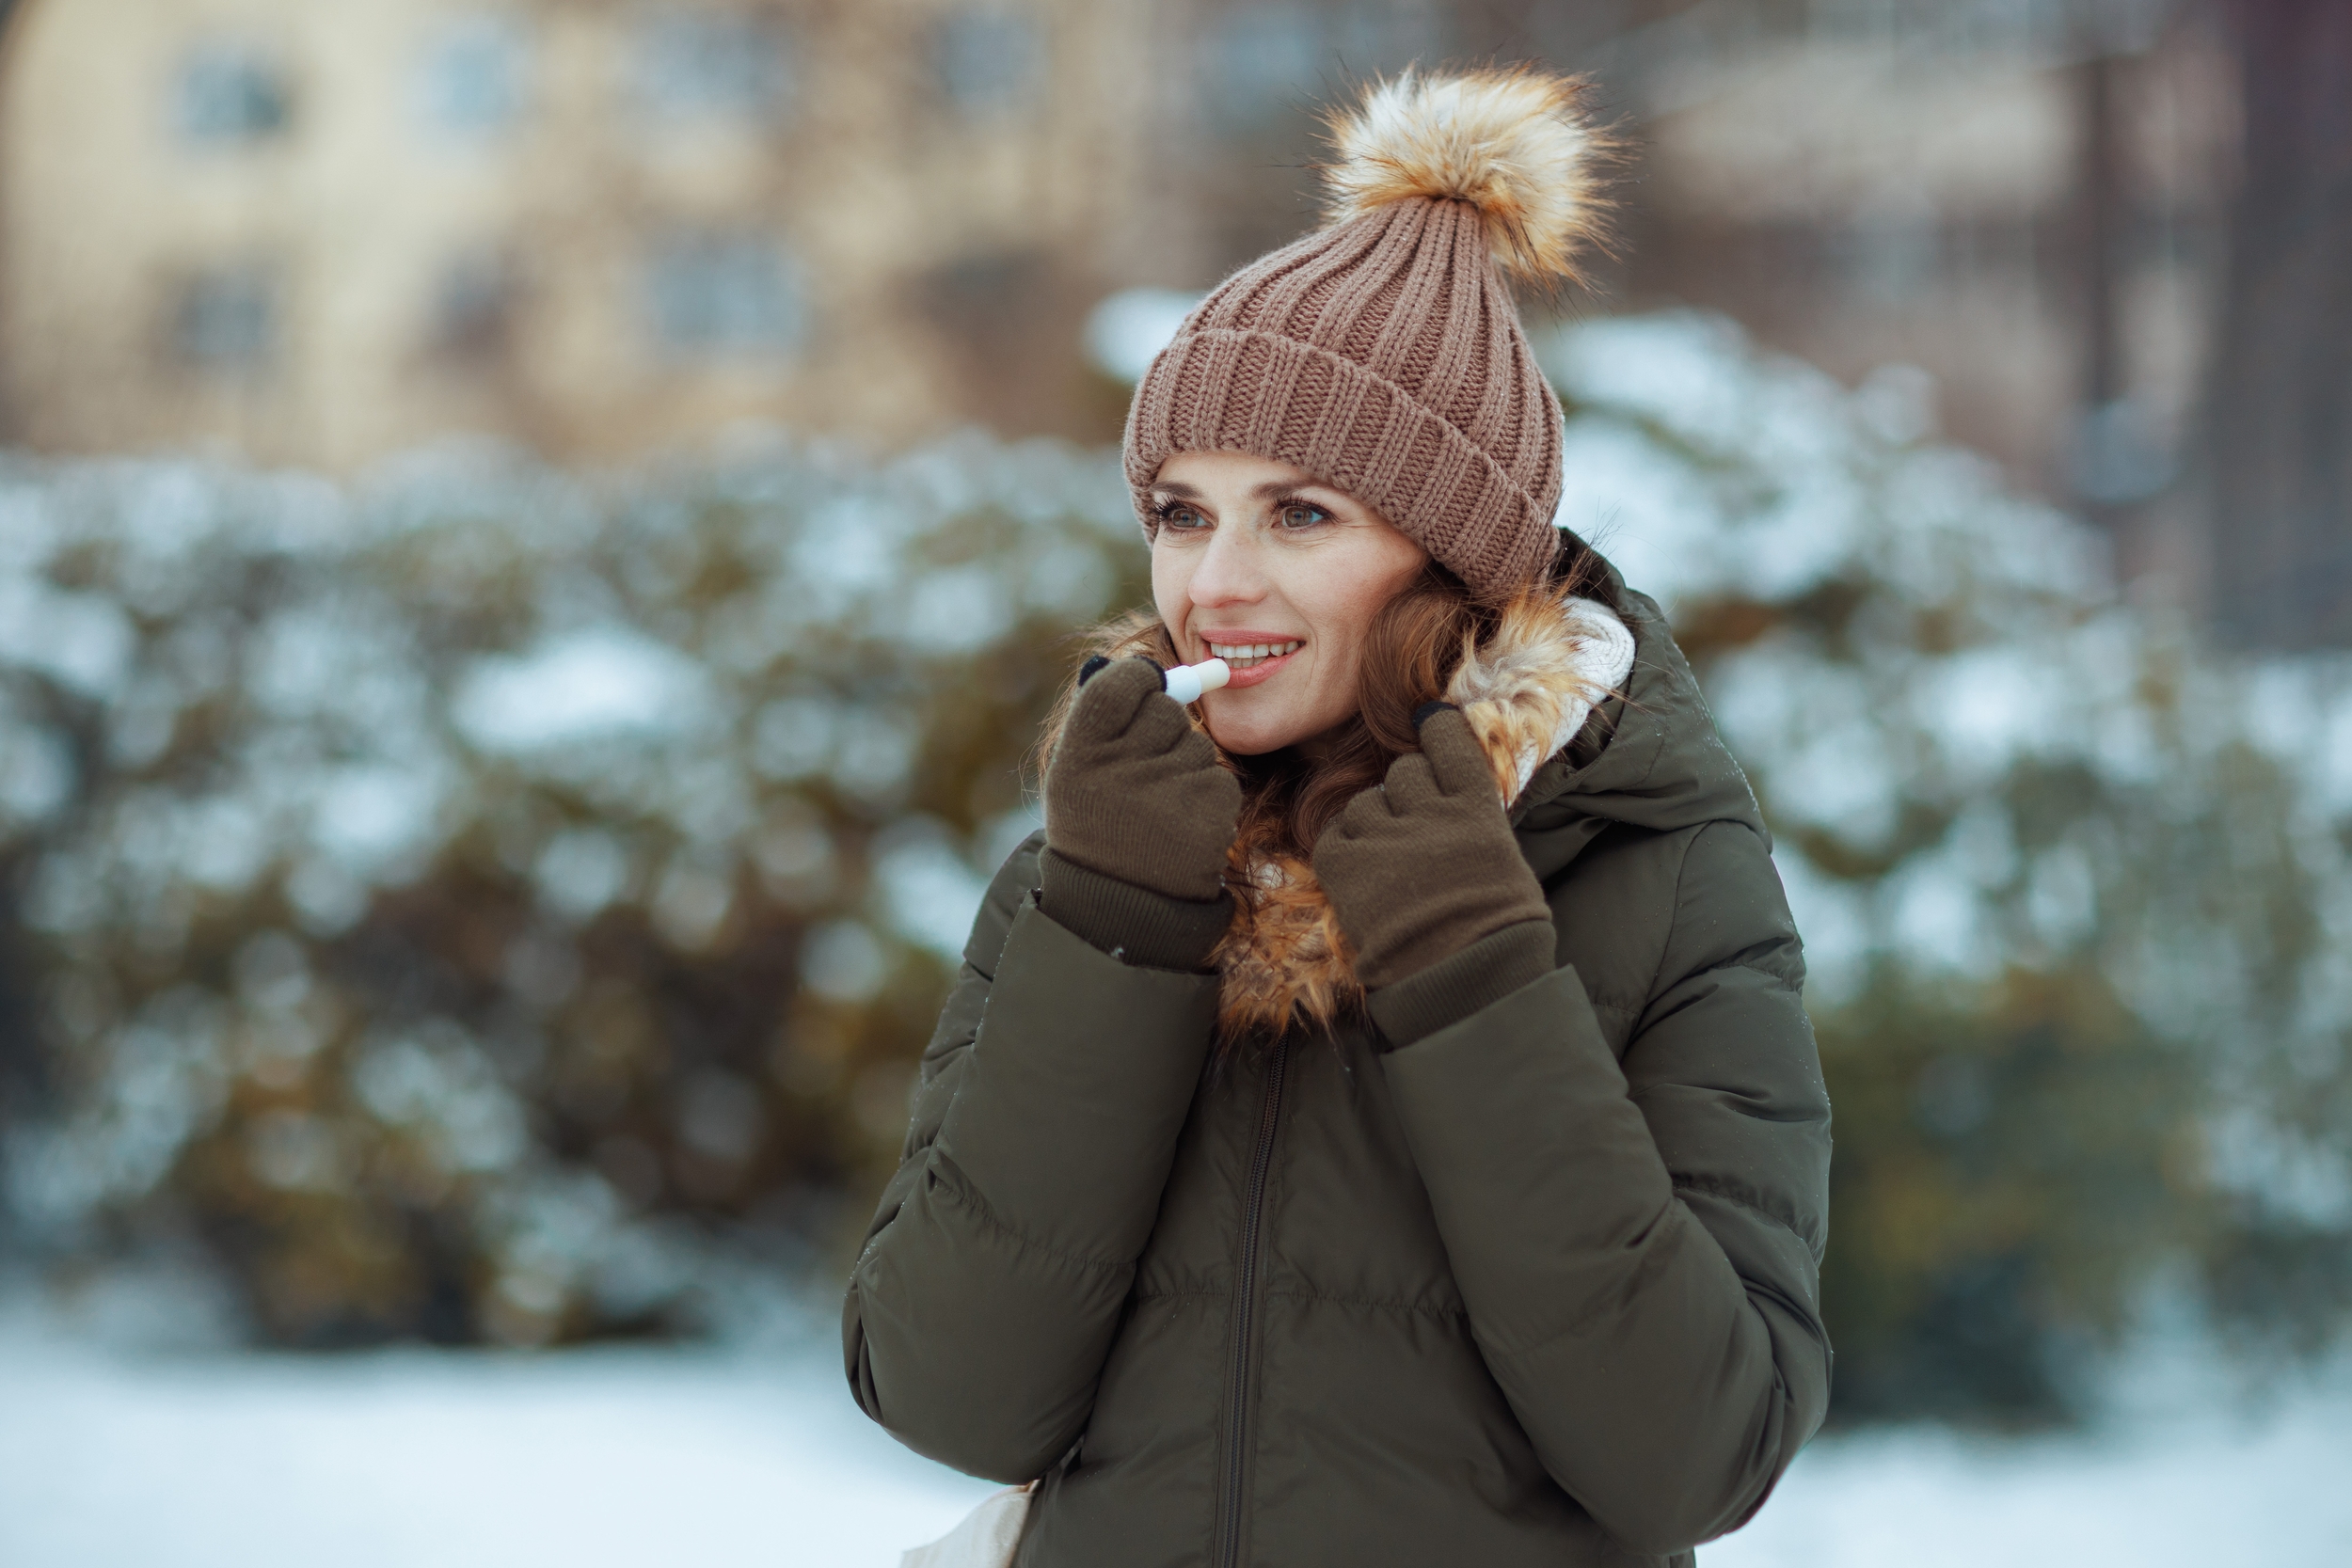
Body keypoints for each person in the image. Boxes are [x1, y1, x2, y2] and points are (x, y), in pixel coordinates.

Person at [844, 66, 1831, 1568]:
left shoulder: (1657, 866)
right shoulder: (1096, 862)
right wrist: (1116, 930)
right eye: (1181, 512)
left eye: (1299, 514)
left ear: (1451, 557)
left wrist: (1471, 964)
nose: (1213, 583)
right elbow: (950, 1396)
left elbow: (1697, 1456)